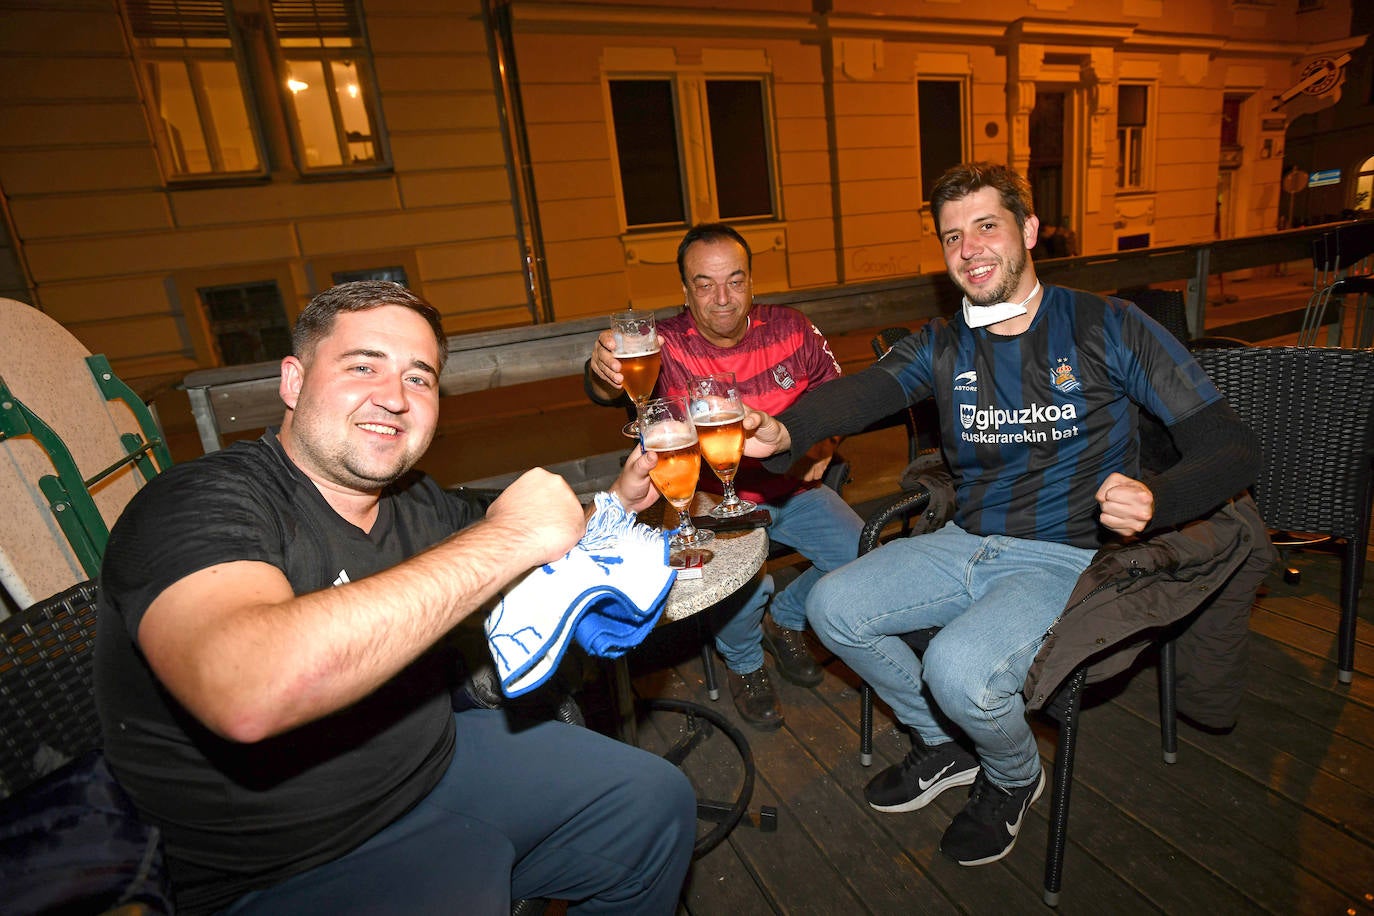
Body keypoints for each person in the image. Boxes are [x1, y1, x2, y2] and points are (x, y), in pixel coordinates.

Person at [94, 281, 696, 914]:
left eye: (418, 378)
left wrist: (616, 501)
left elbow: (520, 540)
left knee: (653, 801)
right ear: (293, 381)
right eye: (363, 366)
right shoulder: (200, 501)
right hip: (281, 864)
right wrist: (507, 538)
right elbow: (244, 687)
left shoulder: (415, 500)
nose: (394, 397)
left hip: (433, 765)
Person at [741, 162, 1259, 866]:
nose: (969, 249)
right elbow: (864, 392)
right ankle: (943, 743)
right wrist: (787, 431)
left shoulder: (1108, 324)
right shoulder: (944, 341)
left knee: (959, 670)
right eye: (952, 235)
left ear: (1030, 230)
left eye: (987, 226)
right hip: (965, 540)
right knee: (832, 607)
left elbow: (1231, 446)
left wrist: (1158, 498)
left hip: (1068, 556)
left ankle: (1013, 775)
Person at [584, 223, 864, 730]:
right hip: (709, 500)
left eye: (735, 281)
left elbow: (838, 397)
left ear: (751, 281)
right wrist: (601, 369)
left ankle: (787, 619)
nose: (722, 298)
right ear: (685, 291)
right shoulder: (663, 344)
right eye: (705, 284)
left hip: (795, 487)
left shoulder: (792, 328)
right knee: (740, 584)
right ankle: (746, 665)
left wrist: (825, 443)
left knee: (863, 555)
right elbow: (607, 389)